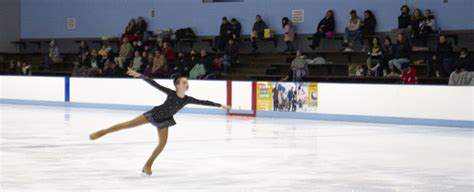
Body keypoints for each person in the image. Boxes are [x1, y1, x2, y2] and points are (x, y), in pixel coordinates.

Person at [89, 69, 231, 176]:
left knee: (162, 144)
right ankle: (103, 131)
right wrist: (140, 75)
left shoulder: (187, 99)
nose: (186, 84)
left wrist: (221, 105)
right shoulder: (171, 93)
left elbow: (203, 102)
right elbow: (154, 83)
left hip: (165, 121)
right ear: (177, 85)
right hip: (154, 114)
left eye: (187, 82)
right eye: (184, 82)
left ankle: (147, 165)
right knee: (128, 124)